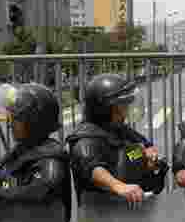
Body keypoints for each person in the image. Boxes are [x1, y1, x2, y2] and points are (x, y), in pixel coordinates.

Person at [66, 73, 167, 205]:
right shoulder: (87, 138)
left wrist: (150, 158)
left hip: (132, 206)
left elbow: (145, 146)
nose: (127, 108)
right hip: (102, 213)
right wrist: (118, 186)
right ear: (105, 108)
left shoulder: (120, 129)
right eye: (123, 104)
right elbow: (92, 167)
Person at [0, 82, 71, 220]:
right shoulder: (22, 150)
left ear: (34, 121)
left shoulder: (50, 157)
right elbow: (1, 175)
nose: (10, 124)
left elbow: (42, 189)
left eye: (16, 119)